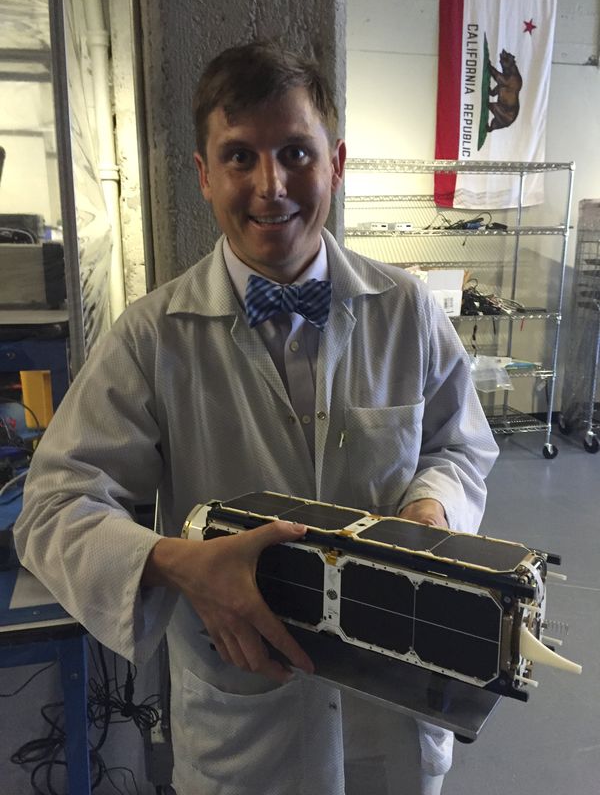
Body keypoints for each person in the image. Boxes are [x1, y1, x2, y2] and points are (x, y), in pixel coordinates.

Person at [14, 40, 498, 795]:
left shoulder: (406, 312)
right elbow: (50, 509)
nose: (271, 188)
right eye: (240, 157)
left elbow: (459, 448)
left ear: (335, 162)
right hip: (245, 727)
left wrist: (431, 504)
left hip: (391, 702)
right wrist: (176, 564)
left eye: (296, 153)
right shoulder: (152, 337)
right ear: (205, 176)